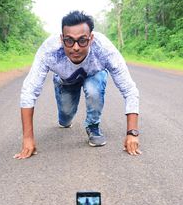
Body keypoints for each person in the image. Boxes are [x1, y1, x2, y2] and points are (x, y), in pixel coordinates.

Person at [14, 10, 141, 160]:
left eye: (82, 40)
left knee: (94, 87)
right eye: (69, 40)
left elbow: (129, 89)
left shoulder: (104, 49)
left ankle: (93, 126)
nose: (75, 47)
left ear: (91, 38)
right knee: (66, 118)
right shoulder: (49, 50)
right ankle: (61, 99)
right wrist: (28, 139)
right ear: (62, 39)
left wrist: (132, 133)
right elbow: (29, 91)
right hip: (67, 81)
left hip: (94, 75)